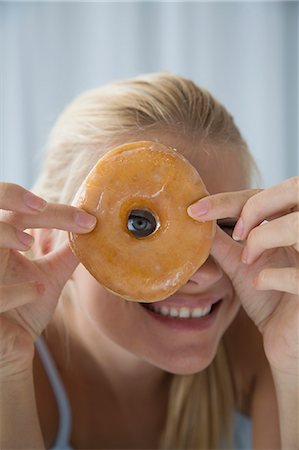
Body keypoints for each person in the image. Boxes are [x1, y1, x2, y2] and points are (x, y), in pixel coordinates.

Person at [1, 73, 298, 450]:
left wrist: (295, 364)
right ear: (48, 238)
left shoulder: (265, 342)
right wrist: (6, 373)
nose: (204, 274)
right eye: (139, 224)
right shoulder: (13, 357)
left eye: (227, 226)